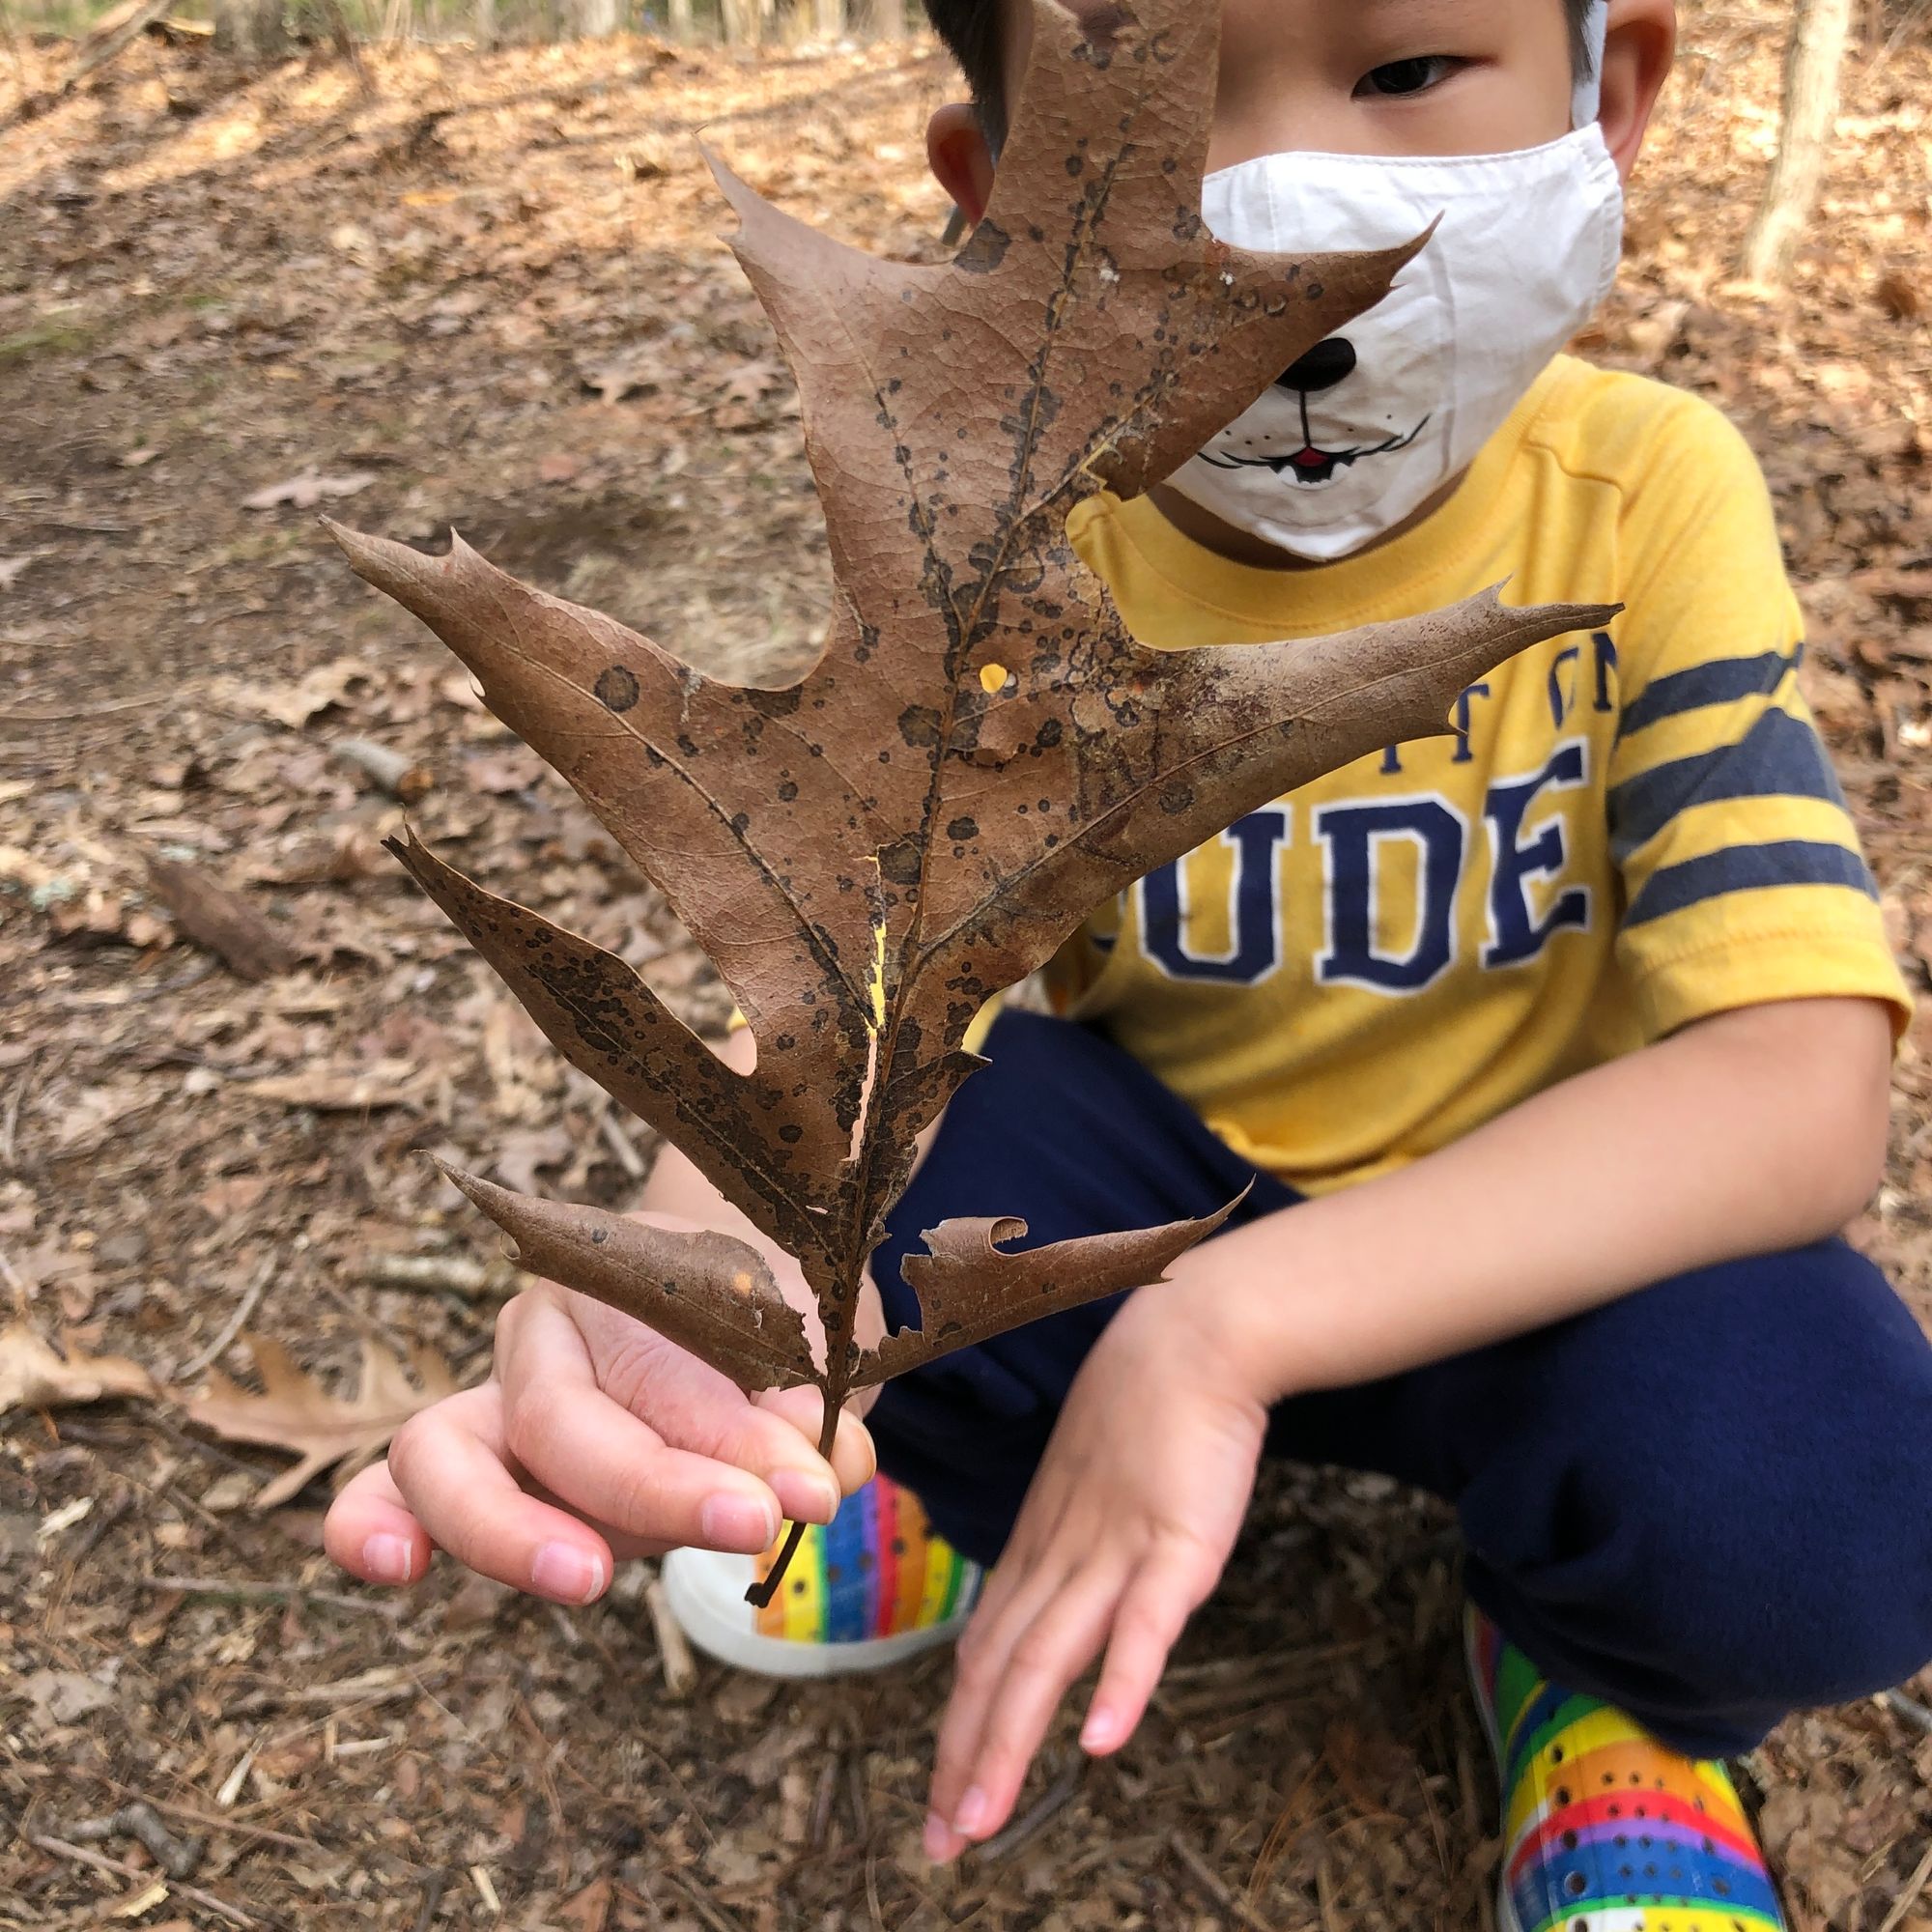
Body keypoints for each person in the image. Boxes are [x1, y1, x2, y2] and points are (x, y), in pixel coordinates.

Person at [326, 0, 1932, 1922]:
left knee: (1819, 1501)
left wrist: (1224, 1328)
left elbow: (1799, 1080)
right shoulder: (1017, 548)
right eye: (1156, 130)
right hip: (1146, 1200)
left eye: (1405, 68)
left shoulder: (1648, 497)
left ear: (1617, 96)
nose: (1278, 220)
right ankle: (958, 1487)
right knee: (890, 1204)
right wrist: (706, 1253)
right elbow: (876, 996)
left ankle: (1592, 1671)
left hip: (1543, 1265)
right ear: (995, 204)